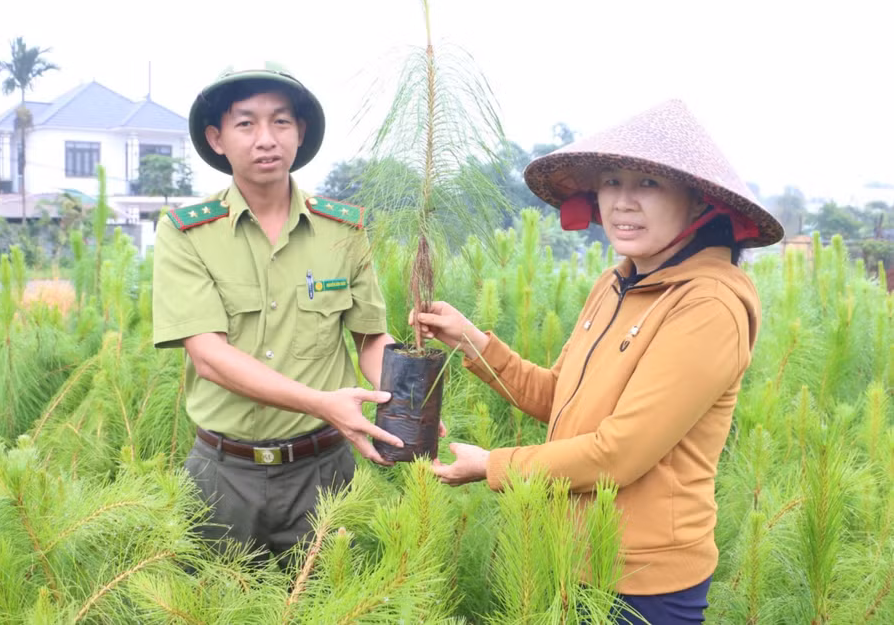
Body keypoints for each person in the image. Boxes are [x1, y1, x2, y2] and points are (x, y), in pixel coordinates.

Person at [411, 100, 783, 623]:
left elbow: (619, 455)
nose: (623, 202)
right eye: (611, 182)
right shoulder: (614, 284)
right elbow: (556, 398)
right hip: (571, 554)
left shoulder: (708, 305)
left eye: (648, 184)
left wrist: (492, 466)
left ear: (699, 203)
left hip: (643, 581)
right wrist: (473, 343)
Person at [152, 62, 405, 566]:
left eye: (281, 121)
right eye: (245, 123)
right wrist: (323, 402)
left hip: (325, 473)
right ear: (216, 137)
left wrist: (409, 402)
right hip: (223, 477)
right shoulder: (187, 233)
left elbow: (371, 339)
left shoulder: (343, 230)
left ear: (300, 131)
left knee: (331, 607)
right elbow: (209, 357)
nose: (265, 138)